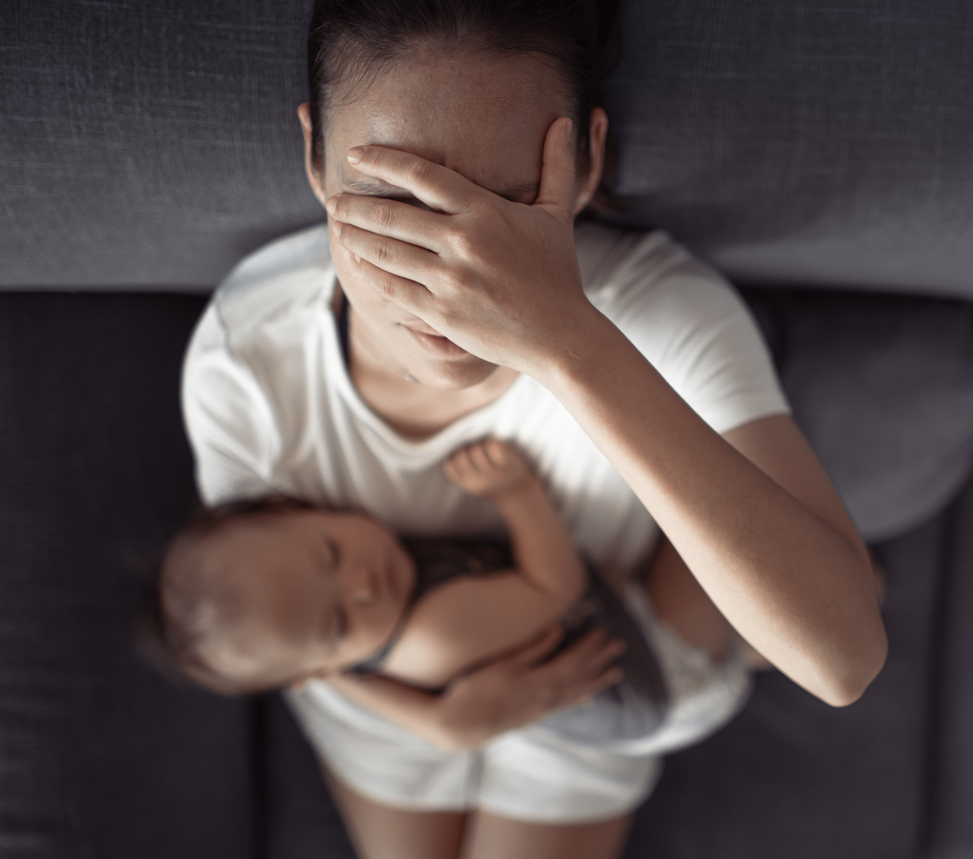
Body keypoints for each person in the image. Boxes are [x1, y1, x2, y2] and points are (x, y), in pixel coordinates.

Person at [182, 1, 887, 855]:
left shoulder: (658, 316)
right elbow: (288, 635)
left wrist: (567, 342)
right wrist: (436, 722)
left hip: (593, 669)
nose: (453, 274)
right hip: (389, 696)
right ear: (316, 161)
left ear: (584, 165)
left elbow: (841, 659)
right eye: (389, 205)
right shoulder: (246, 366)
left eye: (506, 206)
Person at [145, 438, 672, 746]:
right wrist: (516, 494)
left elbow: (331, 673)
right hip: (659, 666)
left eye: (330, 553)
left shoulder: (329, 660)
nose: (363, 584)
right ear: (321, 665)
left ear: (295, 507)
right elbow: (556, 586)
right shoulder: (432, 636)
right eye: (338, 623)